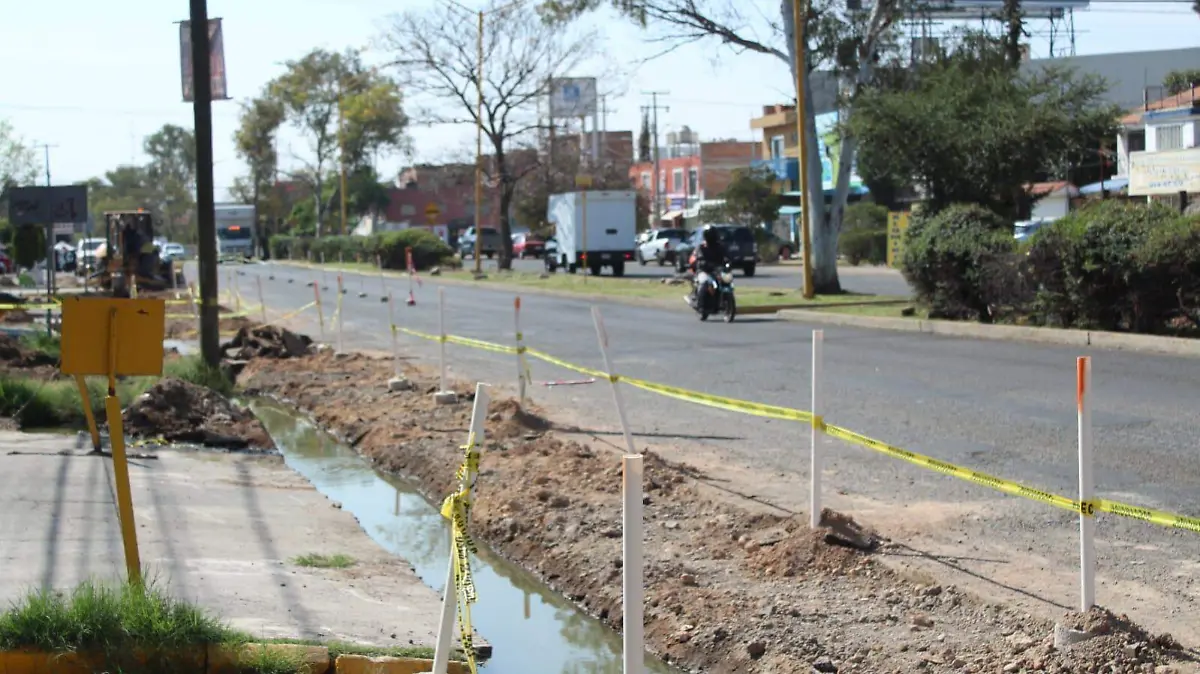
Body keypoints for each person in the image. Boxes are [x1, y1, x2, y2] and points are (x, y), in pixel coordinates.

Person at [689, 225, 726, 307]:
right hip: (704, 271)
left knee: (725, 281)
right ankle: (700, 304)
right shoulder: (701, 247)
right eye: (711, 235)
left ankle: (722, 301)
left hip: (717, 270)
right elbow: (699, 257)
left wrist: (728, 263)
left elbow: (726, 256)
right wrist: (703, 263)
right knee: (704, 283)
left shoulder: (720, 247)